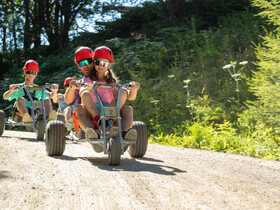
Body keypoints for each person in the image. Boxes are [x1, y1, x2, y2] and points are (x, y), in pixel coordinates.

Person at [65, 46, 139, 147]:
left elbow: (130, 96)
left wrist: (133, 89)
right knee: (82, 102)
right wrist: (90, 87)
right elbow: (80, 93)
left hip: (110, 112)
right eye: (82, 63)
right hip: (93, 114)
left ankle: (124, 133)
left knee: (128, 107)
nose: (86, 65)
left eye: (88, 62)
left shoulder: (112, 81)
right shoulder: (87, 80)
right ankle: (94, 130)